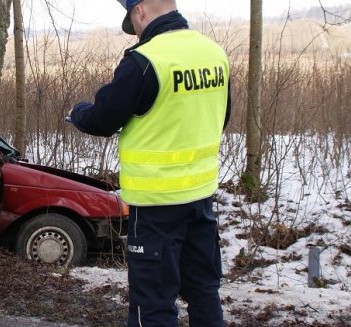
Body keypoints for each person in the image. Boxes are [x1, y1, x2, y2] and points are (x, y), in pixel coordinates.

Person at [69, 0, 230, 326]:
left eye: (132, 21)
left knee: (153, 305)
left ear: (139, 10)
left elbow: (103, 118)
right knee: (203, 292)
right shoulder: (214, 53)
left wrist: (78, 112)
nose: (136, 32)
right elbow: (221, 118)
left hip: (157, 207)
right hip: (201, 201)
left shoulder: (144, 61)